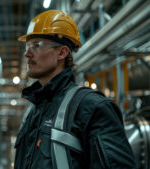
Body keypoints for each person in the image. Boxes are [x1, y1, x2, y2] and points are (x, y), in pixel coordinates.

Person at [14, 10, 136, 169]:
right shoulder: (35, 110)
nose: (27, 53)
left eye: (36, 45)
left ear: (62, 53)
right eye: (28, 46)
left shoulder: (92, 107)